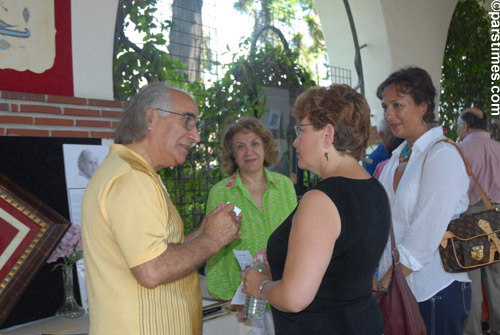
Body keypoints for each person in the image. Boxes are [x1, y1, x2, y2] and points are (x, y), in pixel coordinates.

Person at [81, 83, 242, 335]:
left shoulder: (134, 172)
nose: (196, 136)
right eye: (188, 121)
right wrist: (212, 240)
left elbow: (152, 253)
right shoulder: (132, 178)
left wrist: (201, 234)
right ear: (150, 117)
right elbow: (152, 270)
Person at [241, 84, 391, 334]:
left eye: (302, 129)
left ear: (327, 135)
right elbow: (342, 266)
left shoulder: (320, 200)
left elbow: (294, 298)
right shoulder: (375, 189)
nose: (297, 140)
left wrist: (259, 285)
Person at [374, 66, 471, 335]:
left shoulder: (442, 155)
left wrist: (383, 284)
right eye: (385, 106)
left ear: (423, 107)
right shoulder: (397, 158)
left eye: (397, 105)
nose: (388, 115)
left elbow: (423, 236)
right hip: (398, 286)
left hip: (434, 290)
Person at [205, 116, 297, 301]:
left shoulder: (285, 185)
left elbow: (297, 236)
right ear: (233, 155)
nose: (249, 152)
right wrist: (228, 297)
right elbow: (213, 249)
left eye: (255, 144)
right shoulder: (221, 193)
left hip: (283, 292)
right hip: (242, 298)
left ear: (265, 148)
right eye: (240, 146)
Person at [457, 108, 500, 335]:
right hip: (499, 215)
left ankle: (473, 331)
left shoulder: (460, 150)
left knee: (472, 279)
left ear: (465, 126)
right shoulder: (499, 149)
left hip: (471, 217)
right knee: (498, 278)